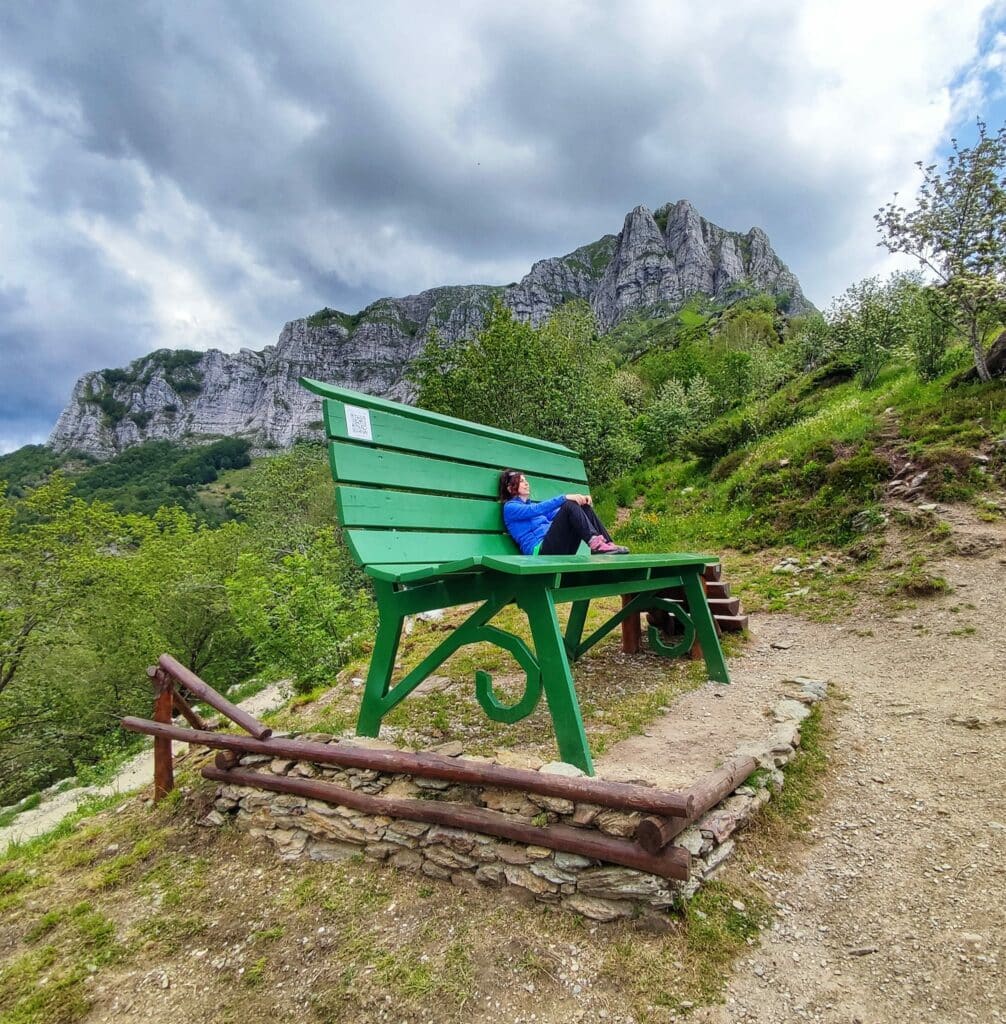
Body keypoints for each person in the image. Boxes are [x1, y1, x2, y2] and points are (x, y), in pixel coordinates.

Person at [499, 469, 629, 556]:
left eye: (525, 480)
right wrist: (564, 498)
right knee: (568, 504)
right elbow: (535, 510)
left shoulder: (531, 505)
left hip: (556, 547)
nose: (526, 483)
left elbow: (559, 513)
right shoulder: (510, 508)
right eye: (521, 481)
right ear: (510, 488)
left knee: (581, 506)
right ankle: (596, 545)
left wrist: (581, 502)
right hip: (540, 552)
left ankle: (605, 544)